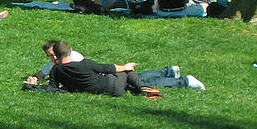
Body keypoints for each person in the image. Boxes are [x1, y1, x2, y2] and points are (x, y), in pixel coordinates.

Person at [48, 40, 204, 95]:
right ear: (70, 50)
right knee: (135, 78)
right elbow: (106, 67)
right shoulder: (85, 63)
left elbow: (53, 88)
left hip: (107, 84)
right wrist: (125, 67)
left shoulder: (56, 70)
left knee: (137, 78)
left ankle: (168, 72)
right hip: (111, 83)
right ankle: (183, 81)